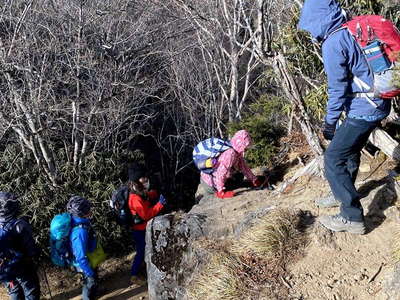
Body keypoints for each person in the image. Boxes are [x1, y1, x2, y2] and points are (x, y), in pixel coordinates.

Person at [298, 0, 391, 234]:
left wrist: (329, 122)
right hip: (379, 102)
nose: (311, 32)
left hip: (364, 109)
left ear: (319, 20)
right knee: (349, 152)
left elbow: (337, 89)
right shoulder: (352, 29)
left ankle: (352, 217)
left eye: (311, 25)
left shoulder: (333, 43)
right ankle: (342, 191)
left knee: (332, 159)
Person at [195, 130, 263, 202]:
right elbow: (221, 173)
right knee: (238, 179)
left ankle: (223, 186)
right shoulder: (230, 154)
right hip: (210, 184)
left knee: (239, 176)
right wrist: (221, 191)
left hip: (208, 179)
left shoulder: (235, 149)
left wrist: (254, 179)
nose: (246, 149)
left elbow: (244, 167)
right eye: (245, 146)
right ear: (241, 145)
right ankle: (218, 189)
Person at [127, 163, 166, 285]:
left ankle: (142, 268)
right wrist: (160, 204)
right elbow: (146, 215)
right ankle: (134, 274)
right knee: (141, 250)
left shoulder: (137, 190)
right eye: (142, 177)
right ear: (136, 180)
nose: (145, 179)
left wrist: (153, 194)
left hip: (142, 227)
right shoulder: (135, 198)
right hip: (140, 229)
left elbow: (145, 196)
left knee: (144, 249)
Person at [0, 192, 40, 300]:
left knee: (13, 289)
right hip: (22, 265)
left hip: (5, 268)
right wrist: (35, 255)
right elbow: (31, 248)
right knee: (30, 289)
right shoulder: (19, 224)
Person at [67, 196, 99, 300]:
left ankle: (94, 294)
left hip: (88, 259)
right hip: (84, 264)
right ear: (81, 212)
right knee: (88, 283)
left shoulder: (78, 221)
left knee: (93, 281)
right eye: (87, 209)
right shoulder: (79, 231)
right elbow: (80, 257)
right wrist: (90, 273)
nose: (90, 211)